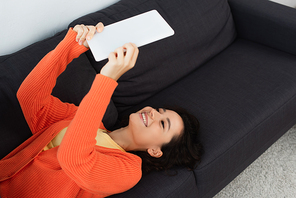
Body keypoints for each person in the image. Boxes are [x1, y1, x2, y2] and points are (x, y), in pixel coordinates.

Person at [0, 22, 202, 197]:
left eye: (163, 123)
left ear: (155, 151)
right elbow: (29, 97)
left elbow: (73, 159)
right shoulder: (84, 119)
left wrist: (107, 80)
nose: (153, 113)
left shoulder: (129, 171)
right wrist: (72, 47)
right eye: (159, 110)